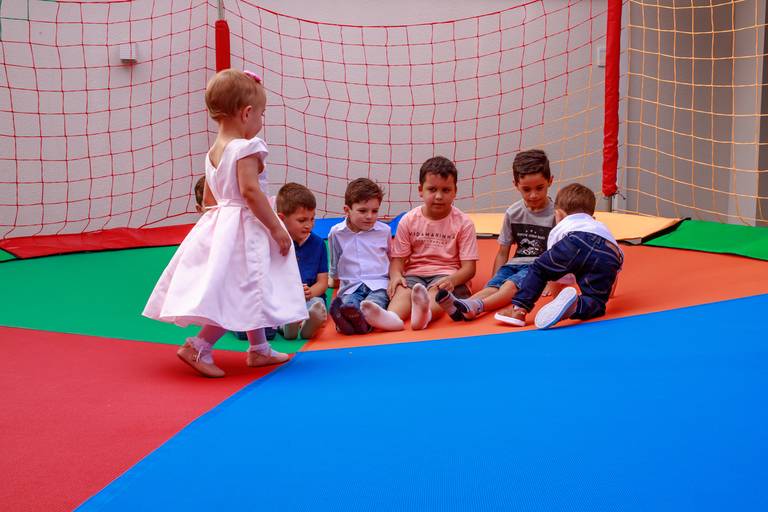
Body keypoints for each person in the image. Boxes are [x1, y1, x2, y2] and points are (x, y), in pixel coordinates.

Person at [143, 69, 307, 377]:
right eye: (261, 114)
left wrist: (220, 226)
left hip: (223, 222)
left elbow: (210, 197)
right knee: (241, 288)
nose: (261, 121)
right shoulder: (247, 147)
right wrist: (275, 227)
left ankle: (259, 348)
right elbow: (250, 191)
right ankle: (198, 346)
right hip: (246, 225)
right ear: (246, 113)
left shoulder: (213, 151)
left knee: (249, 284)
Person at [436, 149, 558, 321]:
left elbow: (558, 253)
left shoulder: (556, 214)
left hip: (537, 267)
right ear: (516, 184)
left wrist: (551, 282)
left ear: (550, 181)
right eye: (526, 189)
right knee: (493, 286)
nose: (533, 195)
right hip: (514, 264)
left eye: (539, 188)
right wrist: (495, 278)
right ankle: (459, 308)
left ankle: (478, 306)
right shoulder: (513, 212)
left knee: (510, 286)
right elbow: (502, 252)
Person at [494, 183, 623, 329]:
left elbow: (552, 270)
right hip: (611, 254)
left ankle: (519, 310)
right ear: (592, 217)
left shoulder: (564, 226)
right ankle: (575, 306)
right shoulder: (599, 226)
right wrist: (606, 290)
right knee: (596, 302)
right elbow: (614, 271)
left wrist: (555, 297)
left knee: (538, 269)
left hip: (576, 241)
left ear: (559, 214)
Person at [379, 156, 478, 331]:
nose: (439, 196)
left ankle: (425, 315)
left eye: (446, 190)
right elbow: (398, 261)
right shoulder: (408, 220)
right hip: (414, 274)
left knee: (438, 294)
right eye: (432, 189)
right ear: (421, 190)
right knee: (403, 291)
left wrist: (453, 280)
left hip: (446, 275)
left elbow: (469, 268)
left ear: (455, 191)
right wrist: (395, 276)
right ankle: (391, 318)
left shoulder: (464, 223)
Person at [327, 178, 402, 334]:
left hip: (379, 284)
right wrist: (333, 278)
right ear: (347, 210)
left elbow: (390, 257)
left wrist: (393, 278)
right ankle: (346, 321)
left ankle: (362, 324)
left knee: (373, 305)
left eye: (374, 211)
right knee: (349, 304)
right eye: (362, 211)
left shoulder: (384, 231)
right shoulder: (336, 233)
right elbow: (335, 258)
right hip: (351, 286)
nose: (369, 216)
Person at [276, 183, 329, 340]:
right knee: (274, 307)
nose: (309, 225)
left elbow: (323, 282)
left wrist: (309, 293)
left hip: (309, 296)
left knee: (317, 304)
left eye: (312, 219)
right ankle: (287, 326)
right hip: (282, 297)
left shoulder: (318, 244)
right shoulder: (274, 244)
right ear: (282, 219)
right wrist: (290, 293)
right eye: (302, 220)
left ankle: (307, 326)